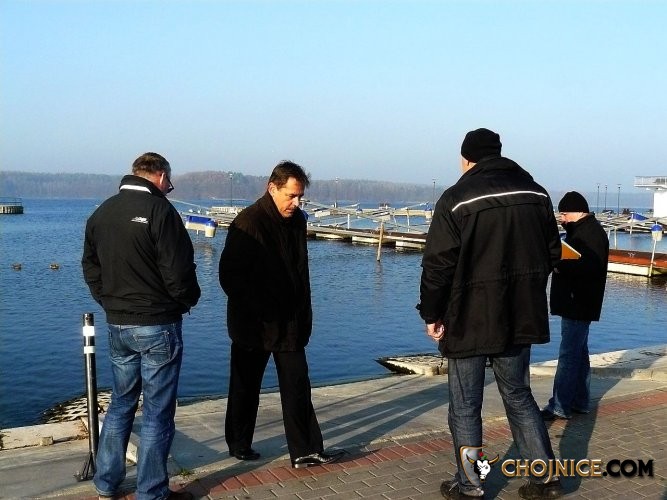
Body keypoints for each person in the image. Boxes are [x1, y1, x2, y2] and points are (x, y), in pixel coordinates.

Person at [418, 128, 564, 500]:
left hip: (468, 317)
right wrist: (527, 291)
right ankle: (545, 478)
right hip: (520, 316)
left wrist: (431, 314)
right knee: (519, 395)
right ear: (498, 154)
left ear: (466, 159)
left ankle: (470, 484)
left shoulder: (456, 199)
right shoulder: (536, 194)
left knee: (465, 405)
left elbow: (437, 265)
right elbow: (553, 253)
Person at [82, 152, 200, 500]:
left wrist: (108, 300)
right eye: (169, 182)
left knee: (121, 402)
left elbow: (90, 266)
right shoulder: (161, 211)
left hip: (118, 322)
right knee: (157, 412)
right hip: (157, 322)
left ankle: (106, 482)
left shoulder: (102, 212)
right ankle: (151, 490)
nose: (169, 188)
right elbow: (178, 271)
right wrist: (186, 301)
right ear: (161, 176)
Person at [218, 160, 345, 468]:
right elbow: (229, 276)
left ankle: (306, 449)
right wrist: (259, 308)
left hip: (290, 321)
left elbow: (299, 271)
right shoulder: (248, 222)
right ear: (272, 188)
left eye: (300, 196)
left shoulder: (297, 220)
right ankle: (239, 443)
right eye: (291, 196)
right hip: (255, 324)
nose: (296, 203)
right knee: (245, 386)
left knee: (298, 384)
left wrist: (303, 312)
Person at [542, 191, 609, 421]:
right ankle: (580, 401)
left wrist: (559, 264)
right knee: (579, 353)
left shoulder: (589, 234)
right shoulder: (583, 231)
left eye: (564, 214)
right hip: (578, 302)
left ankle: (559, 405)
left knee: (568, 355)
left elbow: (591, 268)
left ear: (578, 211)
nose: (562, 218)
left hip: (578, 302)